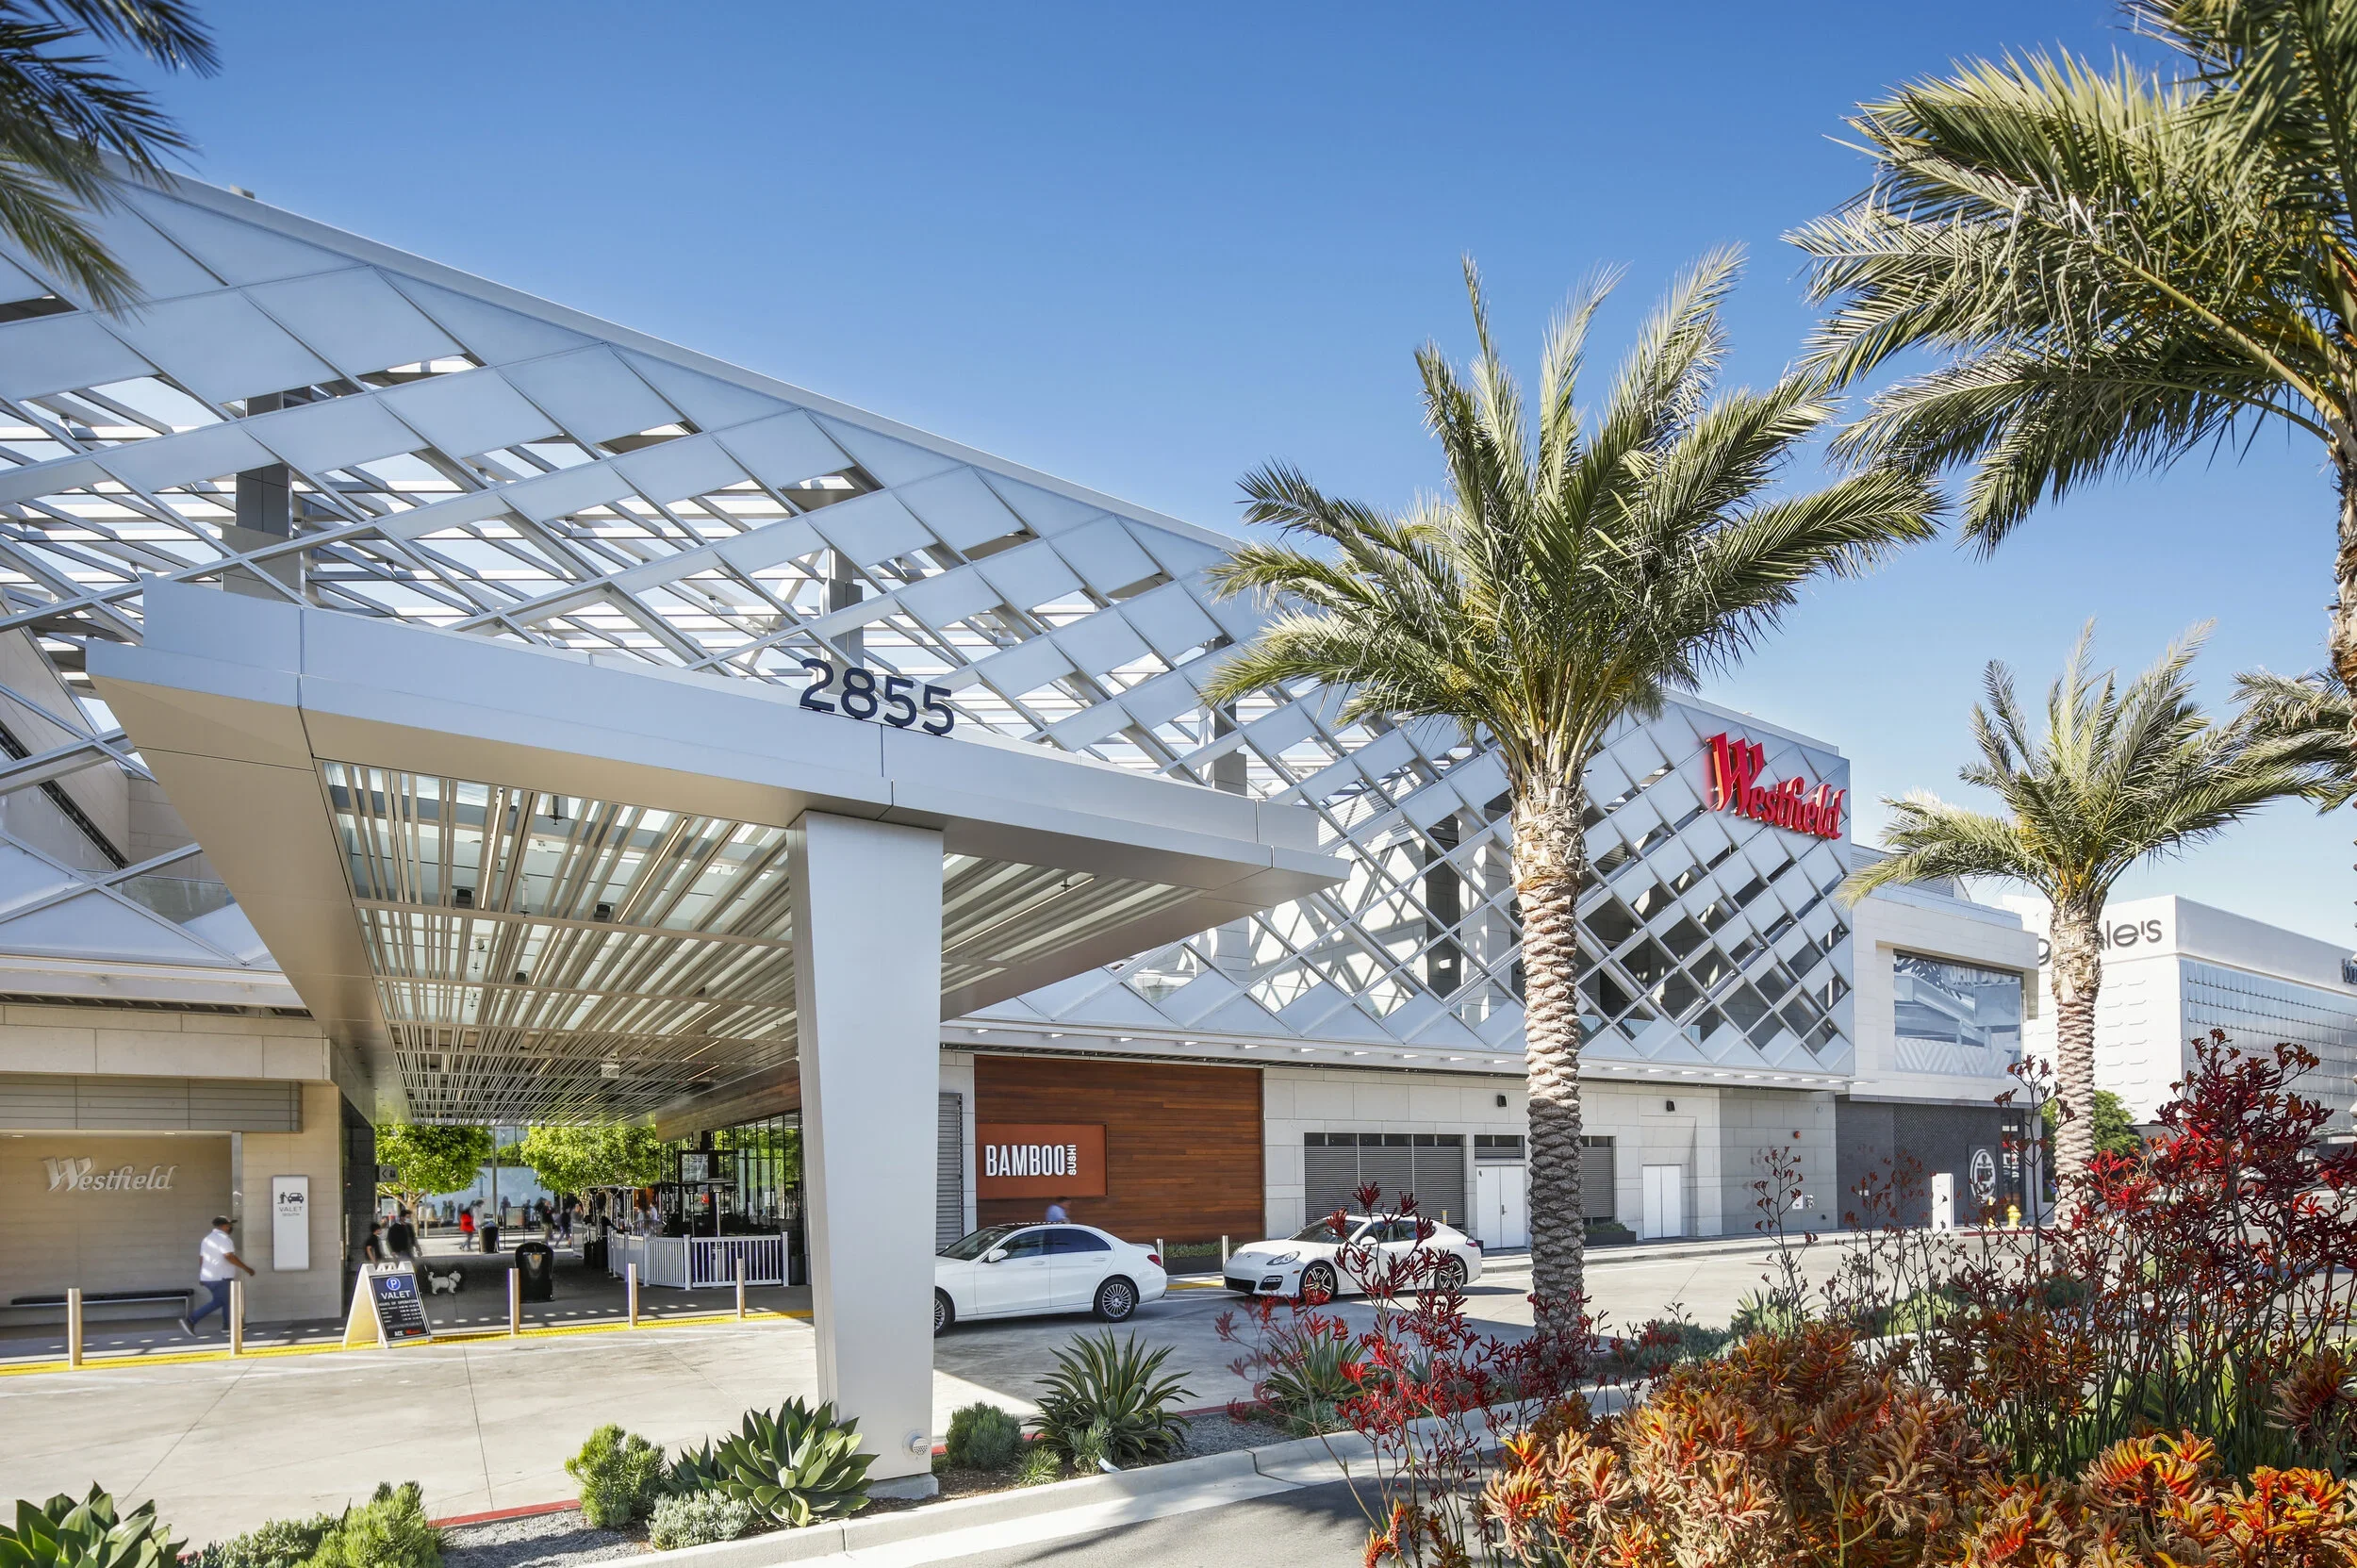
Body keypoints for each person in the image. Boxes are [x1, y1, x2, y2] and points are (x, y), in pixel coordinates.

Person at [179, 1216, 253, 1337]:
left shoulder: (207, 1239)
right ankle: (191, 1320)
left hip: (210, 1277)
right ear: (224, 1226)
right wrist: (246, 1268)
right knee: (221, 1301)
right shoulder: (224, 1239)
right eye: (229, 1225)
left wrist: (202, 1275)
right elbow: (229, 1256)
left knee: (228, 1300)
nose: (231, 1227)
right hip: (220, 1277)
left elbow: (202, 1258)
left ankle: (229, 1325)